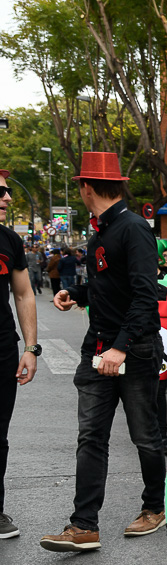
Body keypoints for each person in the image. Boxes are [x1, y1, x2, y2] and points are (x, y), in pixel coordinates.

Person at [41, 152, 165, 553]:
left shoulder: (133, 229)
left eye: (79, 185)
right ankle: (83, 525)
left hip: (134, 349)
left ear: (86, 186)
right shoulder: (101, 233)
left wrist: (120, 347)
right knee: (90, 436)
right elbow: (110, 290)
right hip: (97, 348)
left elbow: (147, 296)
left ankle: (154, 506)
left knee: (145, 437)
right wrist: (75, 294)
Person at [0, 168, 40, 538]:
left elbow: (24, 294)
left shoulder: (10, 240)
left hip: (1, 348)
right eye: (1, 192)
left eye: (9, 191)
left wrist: (30, 348)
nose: (8, 198)